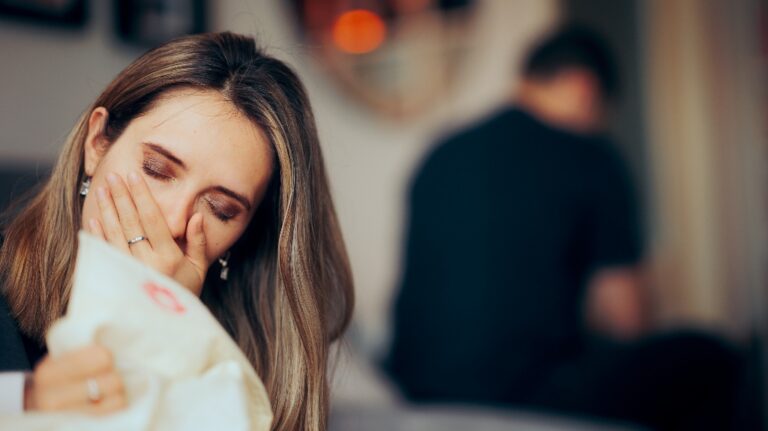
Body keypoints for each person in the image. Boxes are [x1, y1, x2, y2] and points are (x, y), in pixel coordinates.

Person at [385, 26, 739, 430]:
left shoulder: (442, 152)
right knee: (712, 355)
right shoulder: (591, 155)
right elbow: (627, 320)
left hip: (419, 385)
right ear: (585, 88)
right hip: (522, 390)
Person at [0, 31, 354, 431]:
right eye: (156, 170)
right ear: (97, 144)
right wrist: (25, 402)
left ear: (246, 234)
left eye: (220, 210)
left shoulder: (236, 372)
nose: (173, 222)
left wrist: (172, 333)